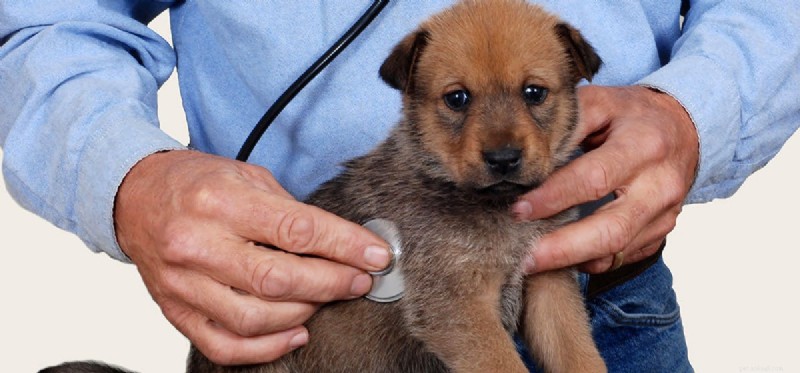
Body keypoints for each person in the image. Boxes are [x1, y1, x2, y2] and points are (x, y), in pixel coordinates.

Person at [1, 1, 798, 372]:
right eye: (457, 103)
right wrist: (128, 175)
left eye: (532, 96)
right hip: (284, 321)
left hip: (615, 288)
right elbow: (45, 18)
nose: (499, 139)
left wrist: (700, 108)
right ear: (415, 97)